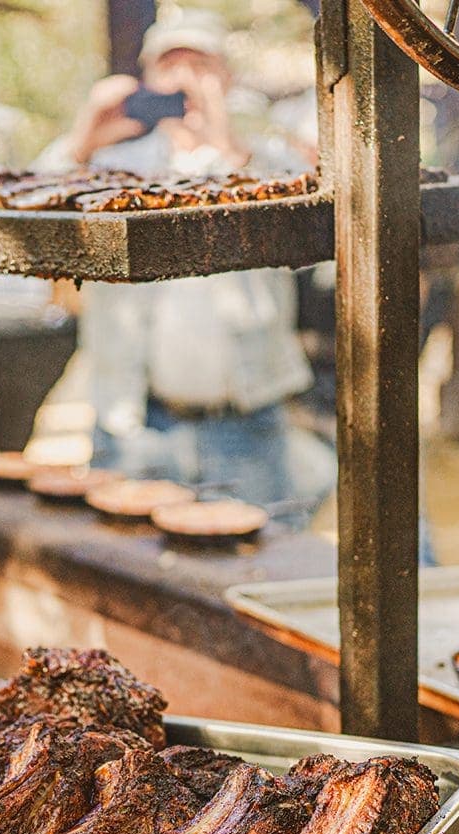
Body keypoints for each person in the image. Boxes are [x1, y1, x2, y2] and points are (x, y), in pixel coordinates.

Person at [39, 12, 316, 506]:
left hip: (245, 421)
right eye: (171, 65)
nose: (184, 80)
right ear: (147, 81)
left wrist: (225, 139)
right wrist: (86, 133)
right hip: (135, 423)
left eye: (200, 65)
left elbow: (309, 220)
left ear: (226, 78)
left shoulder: (262, 161)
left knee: (256, 554)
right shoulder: (115, 167)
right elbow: (34, 205)